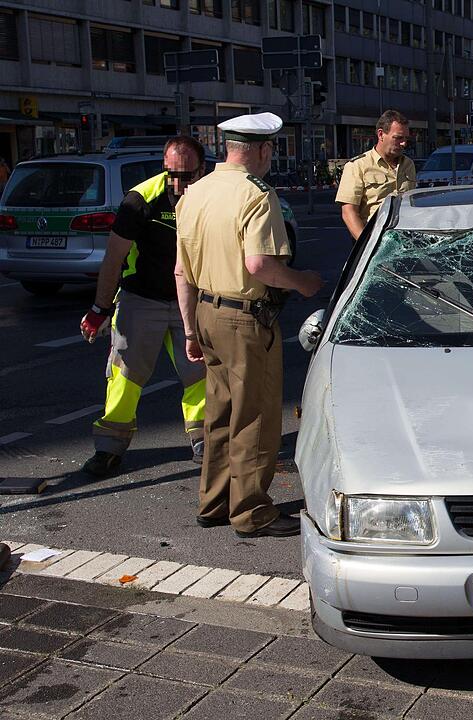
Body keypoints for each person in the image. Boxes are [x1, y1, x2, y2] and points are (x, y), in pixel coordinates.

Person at [174, 112, 324, 538]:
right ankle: (252, 511)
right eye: (270, 149)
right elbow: (260, 265)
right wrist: (303, 283)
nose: (270, 157)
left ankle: (214, 501)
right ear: (260, 149)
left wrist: (189, 330)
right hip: (244, 317)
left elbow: (181, 273)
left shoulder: (195, 192)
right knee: (254, 415)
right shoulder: (257, 195)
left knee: (219, 413)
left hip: (205, 310)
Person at [79, 136, 208, 477]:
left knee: (199, 370)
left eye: (187, 175)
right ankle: (109, 447)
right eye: (171, 174)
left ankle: (205, 439)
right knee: (125, 373)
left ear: (203, 169)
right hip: (143, 299)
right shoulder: (140, 200)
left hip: (191, 298)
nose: (178, 183)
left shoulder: (211, 197)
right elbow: (114, 258)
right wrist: (99, 309)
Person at [336, 109, 416, 241]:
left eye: (406, 138)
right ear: (381, 134)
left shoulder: (408, 164)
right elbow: (348, 212)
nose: (404, 143)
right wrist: (366, 246)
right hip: (373, 239)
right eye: (398, 138)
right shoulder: (358, 165)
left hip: (404, 241)